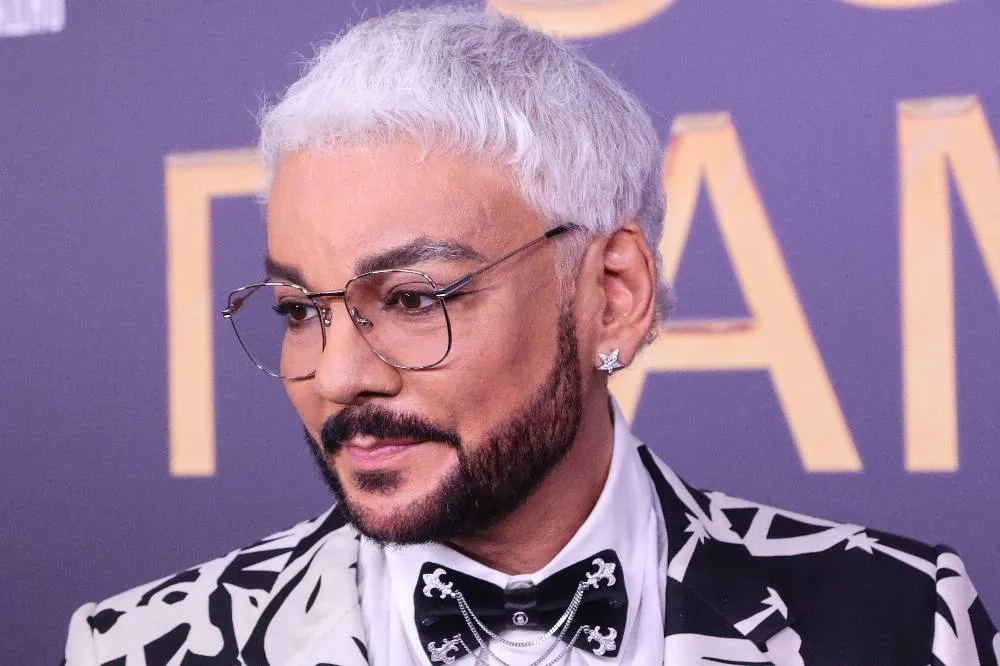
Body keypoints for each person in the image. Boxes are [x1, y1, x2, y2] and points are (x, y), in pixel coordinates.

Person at [63, 6, 997, 665]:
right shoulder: (137, 648)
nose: (338, 375)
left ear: (613, 295)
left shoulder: (902, 621)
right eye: (300, 311)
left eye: (415, 299)